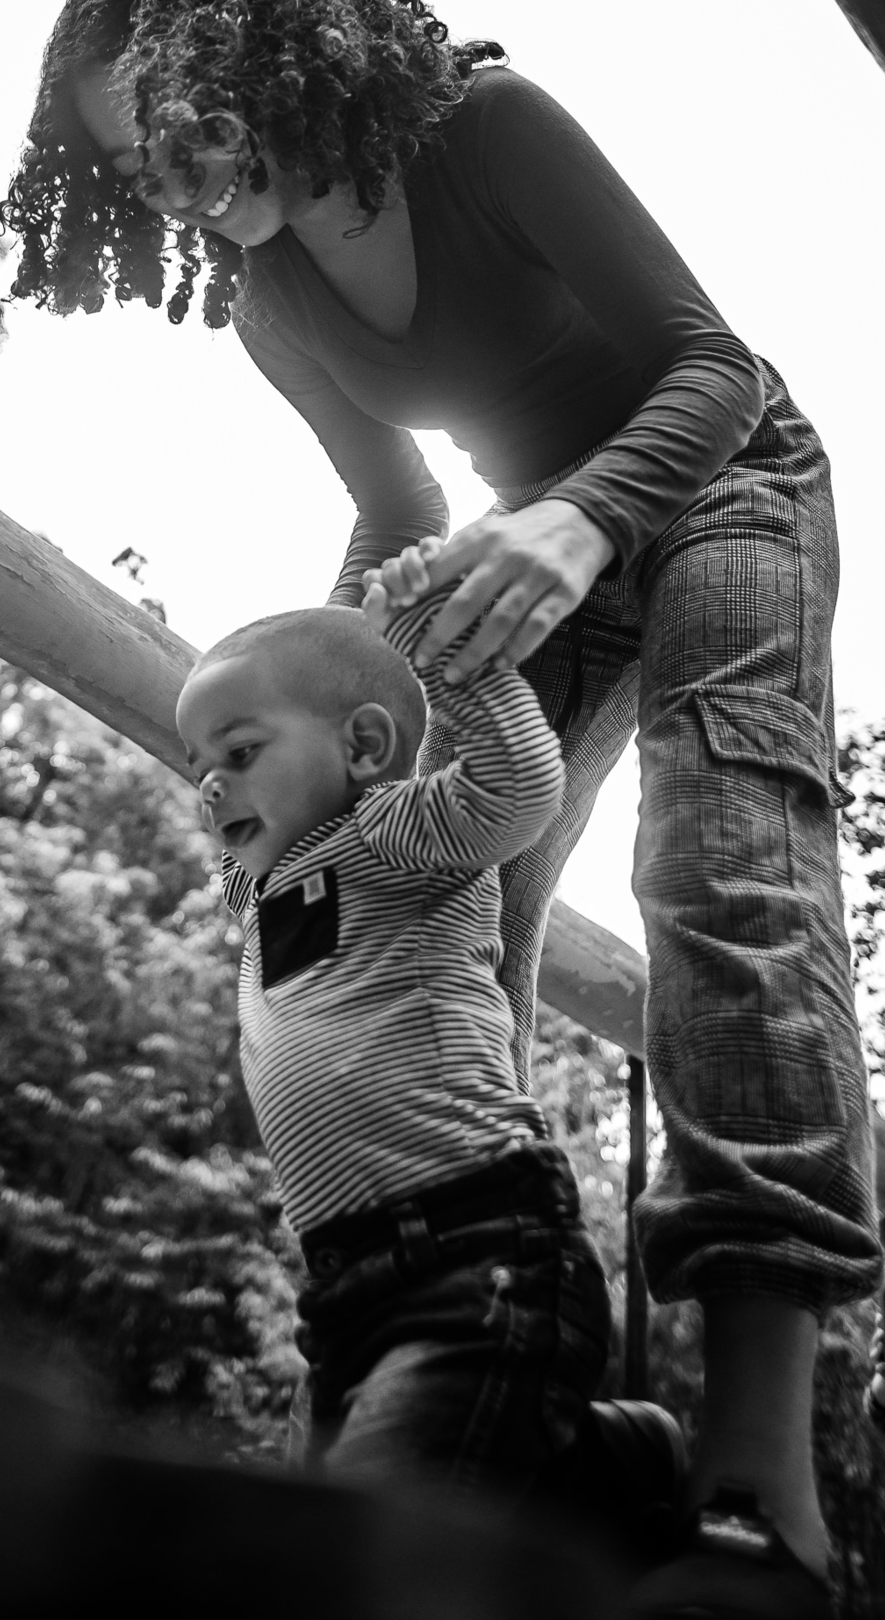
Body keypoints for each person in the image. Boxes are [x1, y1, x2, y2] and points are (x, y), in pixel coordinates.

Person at [0, 0, 881, 1617]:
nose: (176, 177)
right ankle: (526, 1407)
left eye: (178, 112)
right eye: (134, 166)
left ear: (268, 42)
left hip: (721, 482)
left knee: (722, 855)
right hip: (523, 542)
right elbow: (395, 503)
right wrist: (310, 736)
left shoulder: (488, 127)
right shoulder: (269, 300)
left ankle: (763, 1477)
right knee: (457, 899)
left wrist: (583, 519)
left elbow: (714, 365)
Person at [175, 589, 681, 1555]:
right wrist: (376, 559)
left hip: (479, 1247)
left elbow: (519, 788)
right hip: (344, 1286)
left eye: (238, 754)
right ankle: (606, 1468)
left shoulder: (399, 835)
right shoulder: (261, 883)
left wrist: (438, 646)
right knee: (345, 1520)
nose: (207, 785)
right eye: (199, 765)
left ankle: (597, 1462)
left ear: (365, 747)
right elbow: (326, 649)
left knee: (367, 1545)